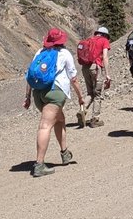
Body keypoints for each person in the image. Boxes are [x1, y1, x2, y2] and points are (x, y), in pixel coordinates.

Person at [24, 28, 86, 177]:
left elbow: (30, 75)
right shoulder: (64, 54)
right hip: (55, 93)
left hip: (39, 94)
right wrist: (80, 96)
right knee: (45, 126)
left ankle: (65, 153)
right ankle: (39, 165)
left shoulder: (40, 53)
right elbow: (74, 79)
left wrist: (27, 97)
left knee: (59, 120)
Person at [76, 24, 112, 127]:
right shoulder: (104, 40)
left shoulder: (89, 39)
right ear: (105, 35)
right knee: (97, 94)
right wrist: (107, 74)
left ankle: (82, 110)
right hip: (95, 68)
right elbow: (105, 57)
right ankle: (95, 119)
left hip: (85, 68)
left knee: (90, 93)